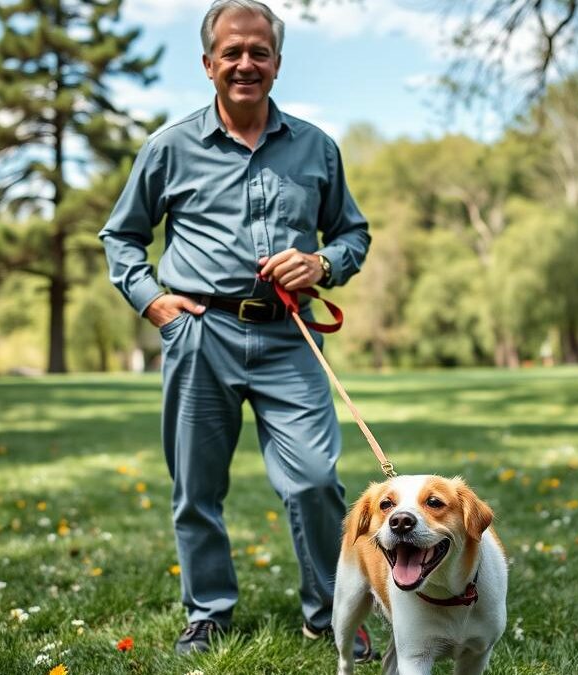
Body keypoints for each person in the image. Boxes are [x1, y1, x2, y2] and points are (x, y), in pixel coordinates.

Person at [99, 0, 372, 659]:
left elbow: (353, 233)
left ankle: (326, 611)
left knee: (314, 479)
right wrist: (154, 303)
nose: (245, 63)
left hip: (290, 336)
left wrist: (322, 262)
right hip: (200, 336)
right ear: (208, 64)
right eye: (232, 52)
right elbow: (122, 237)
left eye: (259, 51)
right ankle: (208, 611)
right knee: (197, 487)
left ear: (277, 63)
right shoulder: (169, 147)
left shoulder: (316, 148)